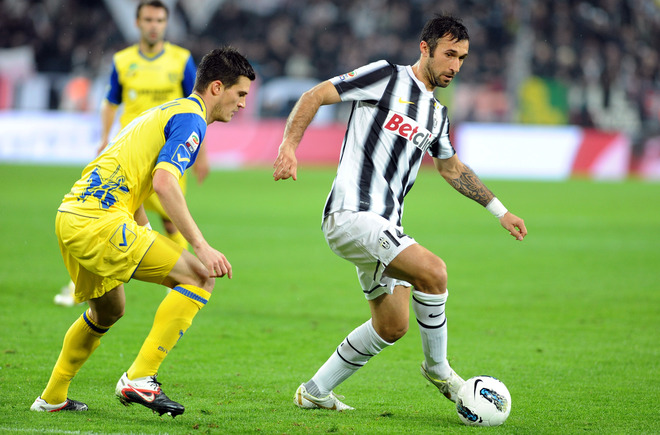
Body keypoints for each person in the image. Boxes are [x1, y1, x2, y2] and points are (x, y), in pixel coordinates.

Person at [273, 14, 527, 411]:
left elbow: (450, 167)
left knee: (392, 325)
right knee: (434, 272)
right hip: (351, 214)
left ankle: (314, 392)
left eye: (462, 57)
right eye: (449, 54)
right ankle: (438, 368)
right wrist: (289, 146)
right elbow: (315, 95)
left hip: (383, 226)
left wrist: (500, 210)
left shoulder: (437, 116)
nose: (455, 66)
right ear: (424, 48)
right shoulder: (384, 77)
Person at [31, 46, 256, 416]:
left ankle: (52, 397)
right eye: (240, 94)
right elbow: (165, 182)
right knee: (200, 278)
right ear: (217, 87)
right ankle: (140, 377)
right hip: (101, 221)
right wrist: (201, 246)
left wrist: (144, 228)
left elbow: (121, 166)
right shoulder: (192, 120)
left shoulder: (160, 113)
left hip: (71, 214)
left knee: (108, 311)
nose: (244, 104)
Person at [54, 0, 208, 307]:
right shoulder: (123, 61)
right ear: (137, 23)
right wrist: (103, 138)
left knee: (170, 222)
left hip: (170, 153)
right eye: (148, 19)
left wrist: (201, 155)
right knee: (112, 216)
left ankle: (183, 280)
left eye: (159, 20)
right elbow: (111, 101)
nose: (154, 25)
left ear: (166, 23)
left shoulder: (181, 60)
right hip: (132, 154)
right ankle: (80, 283)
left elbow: (199, 105)